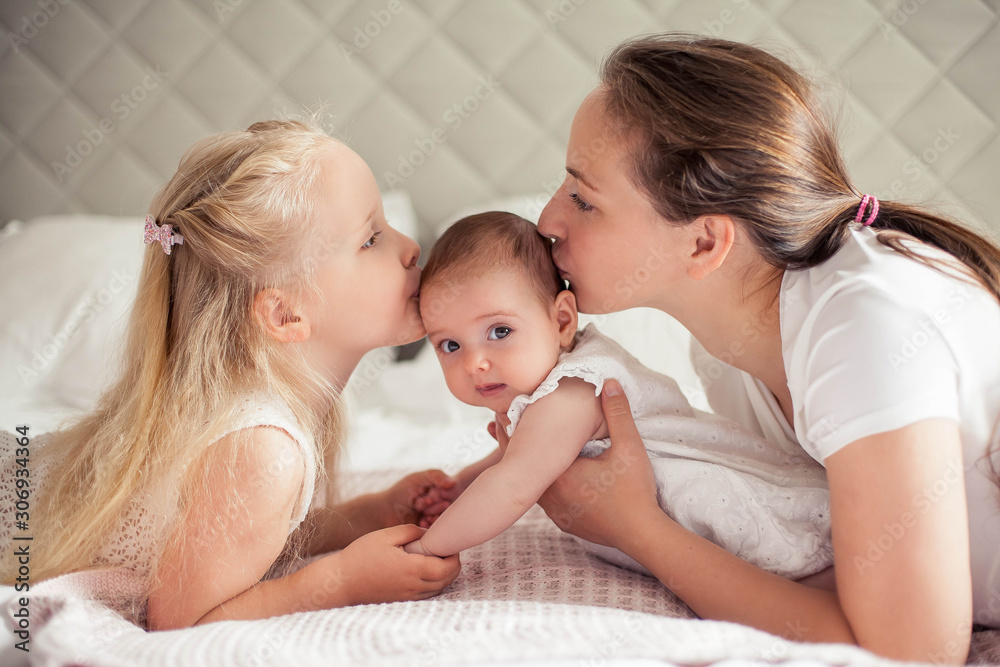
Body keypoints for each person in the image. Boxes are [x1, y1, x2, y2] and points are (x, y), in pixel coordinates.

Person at [522, 34, 1000, 662]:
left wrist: (639, 530)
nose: (547, 221)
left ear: (704, 245)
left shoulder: (867, 325)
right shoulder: (728, 349)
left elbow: (911, 655)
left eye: (584, 199)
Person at [0, 120, 459, 630]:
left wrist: (368, 516)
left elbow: (241, 534)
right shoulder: (264, 449)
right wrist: (343, 581)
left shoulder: (267, 420)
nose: (410, 246)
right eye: (371, 238)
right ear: (284, 315)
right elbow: (179, 622)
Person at [402, 211, 832, 583]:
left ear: (563, 320)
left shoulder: (570, 392)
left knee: (800, 567)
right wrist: (461, 485)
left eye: (500, 332)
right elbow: (523, 453)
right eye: (450, 345)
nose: (475, 362)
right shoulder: (547, 392)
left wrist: (425, 549)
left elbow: (515, 482)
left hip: (728, 506)